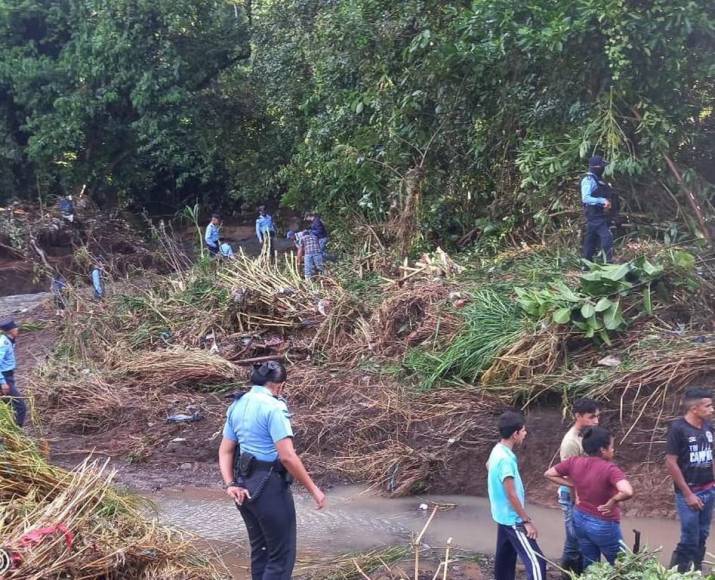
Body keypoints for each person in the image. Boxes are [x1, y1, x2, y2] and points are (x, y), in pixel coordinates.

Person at [218, 361, 326, 580]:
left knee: (262, 553)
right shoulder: (274, 407)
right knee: (280, 557)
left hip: (243, 486)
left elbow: (225, 451)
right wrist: (314, 490)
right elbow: (287, 456)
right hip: (268, 487)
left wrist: (230, 484)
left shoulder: (237, 405)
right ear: (280, 386)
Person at [545, 427, 633, 568]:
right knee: (623, 565)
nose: (613, 450)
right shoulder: (610, 469)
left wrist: (572, 484)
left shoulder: (574, 462)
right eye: (611, 447)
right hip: (603, 524)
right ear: (603, 450)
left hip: (580, 519)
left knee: (591, 564)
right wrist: (613, 500)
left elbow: (549, 473)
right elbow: (628, 491)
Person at [487, 411, 546, 580]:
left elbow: (488, 465)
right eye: (524, 430)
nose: (525, 433)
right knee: (537, 562)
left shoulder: (497, 450)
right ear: (515, 434)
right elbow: (511, 494)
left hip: (501, 515)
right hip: (513, 519)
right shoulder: (506, 460)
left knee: (504, 560)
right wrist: (526, 521)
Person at [666, 386, 715, 572]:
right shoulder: (678, 429)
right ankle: (678, 572)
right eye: (708, 406)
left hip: (709, 489)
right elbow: (671, 463)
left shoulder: (709, 428)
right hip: (689, 492)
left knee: (703, 534)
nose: (712, 409)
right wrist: (687, 495)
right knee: (689, 536)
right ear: (694, 409)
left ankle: (695, 570)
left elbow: (712, 456)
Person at [557, 398, 601, 576]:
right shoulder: (570, 442)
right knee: (574, 541)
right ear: (578, 416)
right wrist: (579, 499)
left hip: (586, 495)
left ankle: (580, 574)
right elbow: (568, 475)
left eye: (597, 417)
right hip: (573, 496)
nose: (596, 421)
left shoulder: (589, 435)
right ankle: (566, 574)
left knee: (585, 539)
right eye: (592, 417)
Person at [581, 155, 616, 263]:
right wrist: (602, 201)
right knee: (606, 237)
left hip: (599, 214)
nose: (603, 168)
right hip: (593, 214)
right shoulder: (588, 180)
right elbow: (585, 198)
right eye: (601, 166)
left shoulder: (598, 180)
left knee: (591, 239)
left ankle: (586, 263)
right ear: (596, 167)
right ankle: (608, 262)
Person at [0, 320, 26, 427]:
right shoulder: (4, 344)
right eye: (16, 329)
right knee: (21, 407)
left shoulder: (10, 340)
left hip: (8, 377)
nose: (17, 330)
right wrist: (3, 382)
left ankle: (7, 432)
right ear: (10, 331)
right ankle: (17, 431)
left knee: (7, 406)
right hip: (5, 378)